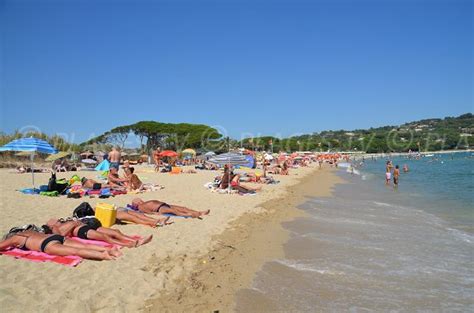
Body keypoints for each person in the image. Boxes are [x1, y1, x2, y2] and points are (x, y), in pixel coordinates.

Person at [0, 230, 121, 260]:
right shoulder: (27, 232)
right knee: (83, 246)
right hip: (54, 237)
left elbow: (2, 246)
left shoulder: (15, 238)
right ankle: (109, 249)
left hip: (47, 244)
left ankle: (104, 255)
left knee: (75, 251)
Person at [45, 218, 153, 248]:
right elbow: (61, 236)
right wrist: (73, 224)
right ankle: (129, 244)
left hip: (86, 226)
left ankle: (133, 239)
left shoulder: (63, 222)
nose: (58, 220)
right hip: (82, 231)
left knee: (115, 231)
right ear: (51, 225)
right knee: (105, 237)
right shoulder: (55, 228)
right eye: (55, 220)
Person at [131, 198, 210, 218]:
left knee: (183, 208)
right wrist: (156, 213)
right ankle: (190, 214)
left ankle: (200, 212)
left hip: (164, 205)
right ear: (136, 203)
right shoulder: (141, 207)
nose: (141, 200)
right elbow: (148, 212)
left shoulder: (144, 203)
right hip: (160, 208)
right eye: (139, 200)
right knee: (174, 211)